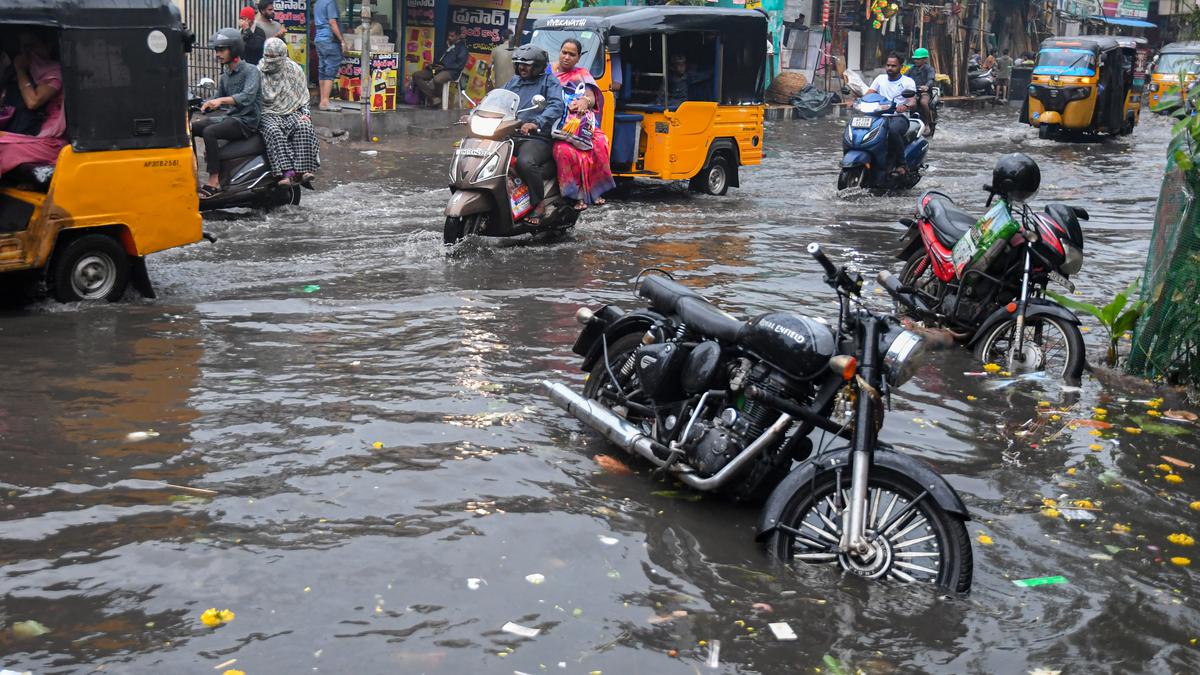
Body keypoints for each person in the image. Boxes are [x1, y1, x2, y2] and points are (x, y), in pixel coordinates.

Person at [190, 28, 262, 197]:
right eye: (216, 50)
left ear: (234, 49)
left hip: (246, 121)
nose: (218, 54)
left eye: (222, 50)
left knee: (210, 132)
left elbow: (247, 97)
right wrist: (202, 103)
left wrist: (221, 101)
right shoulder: (226, 75)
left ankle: (214, 180)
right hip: (230, 118)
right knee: (192, 128)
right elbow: (216, 98)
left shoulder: (251, 71)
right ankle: (192, 176)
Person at [502, 44, 564, 224]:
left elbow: (555, 105)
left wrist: (536, 122)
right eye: (519, 63)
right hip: (511, 133)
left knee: (525, 162)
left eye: (527, 64)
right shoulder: (514, 82)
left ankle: (539, 204)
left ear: (537, 66)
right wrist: (477, 112)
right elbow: (499, 98)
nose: (522, 67)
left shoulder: (549, 81)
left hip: (537, 137)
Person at [550, 39, 615, 211]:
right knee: (563, 151)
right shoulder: (548, 71)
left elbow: (592, 97)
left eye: (572, 54)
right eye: (564, 52)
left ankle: (594, 192)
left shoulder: (582, 74)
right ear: (560, 52)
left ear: (578, 58)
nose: (566, 57)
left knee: (600, 143)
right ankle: (575, 195)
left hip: (580, 124)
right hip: (555, 124)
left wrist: (585, 101)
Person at [0, 29, 67, 181]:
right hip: (25, 137)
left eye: (32, 46)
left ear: (48, 46)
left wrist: (20, 70)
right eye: (23, 47)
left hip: (49, 143)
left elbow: (33, 101)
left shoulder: (55, 72)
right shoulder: (19, 75)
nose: (27, 52)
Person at [258, 37, 319, 187]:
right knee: (273, 131)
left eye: (274, 57)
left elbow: (303, 96)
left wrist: (305, 114)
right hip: (267, 112)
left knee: (304, 126)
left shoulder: (294, 70)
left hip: (291, 111)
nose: (270, 60)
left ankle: (303, 171)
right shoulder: (258, 72)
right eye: (268, 56)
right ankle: (287, 173)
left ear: (283, 56)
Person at [866, 52, 917, 174]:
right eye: (888, 65)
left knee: (893, 131)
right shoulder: (880, 79)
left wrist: (904, 106)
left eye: (893, 66)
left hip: (898, 117)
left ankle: (902, 164)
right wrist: (857, 101)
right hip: (879, 116)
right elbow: (869, 93)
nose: (890, 68)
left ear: (901, 66)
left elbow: (912, 100)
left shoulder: (907, 82)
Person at [412, 30, 468, 108]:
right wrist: (432, 66)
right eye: (449, 36)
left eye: (452, 36)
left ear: (458, 36)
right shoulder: (445, 46)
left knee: (437, 79)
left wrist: (445, 67)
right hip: (437, 69)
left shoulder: (462, 48)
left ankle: (437, 99)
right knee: (417, 75)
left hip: (451, 71)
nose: (449, 38)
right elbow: (437, 59)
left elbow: (459, 65)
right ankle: (433, 98)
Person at [313, 0, 347, 111]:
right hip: (329, 39)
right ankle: (325, 101)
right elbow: (332, 22)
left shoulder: (318, 3)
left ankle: (323, 100)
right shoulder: (330, 2)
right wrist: (342, 40)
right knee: (330, 70)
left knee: (323, 69)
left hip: (319, 39)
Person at [908, 47, 937, 136]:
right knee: (909, 103)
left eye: (918, 59)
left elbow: (931, 79)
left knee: (923, 102)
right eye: (915, 59)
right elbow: (904, 78)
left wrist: (926, 86)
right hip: (913, 92)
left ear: (925, 59)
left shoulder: (929, 69)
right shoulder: (911, 69)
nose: (916, 61)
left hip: (925, 92)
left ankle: (927, 123)